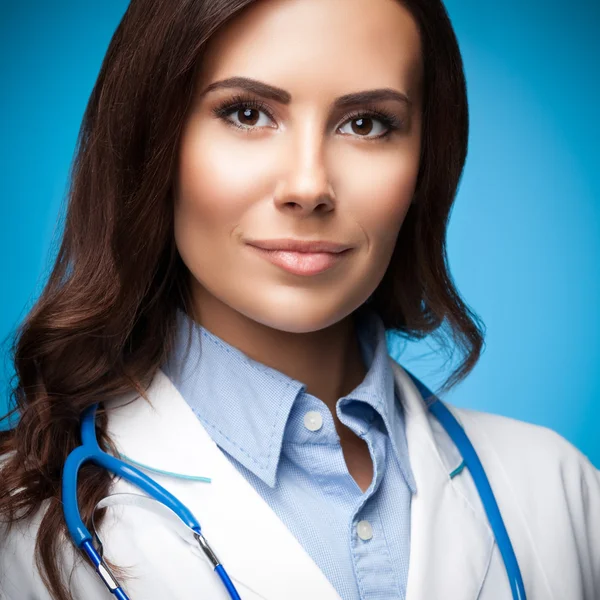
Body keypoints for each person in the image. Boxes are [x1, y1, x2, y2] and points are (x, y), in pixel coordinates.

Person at [1, 0, 598, 598]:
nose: (309, 186)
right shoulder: (16, 528)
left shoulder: (559, 493)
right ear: (152, 142)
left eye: (365, 123)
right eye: (246, 113)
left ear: (424, 165)